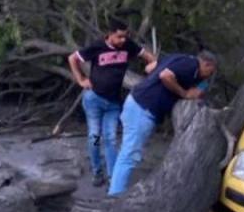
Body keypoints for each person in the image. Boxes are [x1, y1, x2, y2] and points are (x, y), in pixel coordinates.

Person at [108, 50, 219, 196]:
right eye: (210, 72)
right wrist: (182, 93)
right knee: (130, 154)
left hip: (136, 103)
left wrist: (200, 86)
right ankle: (115, 196)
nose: (210, 76)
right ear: (206, 64)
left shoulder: (179, 58)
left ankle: (114, 182)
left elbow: (150, 68)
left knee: (127, 150)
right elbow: (165, 75)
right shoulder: (190, 66)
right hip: (143, 109)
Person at [68, 18, 157, 186]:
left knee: (110, 138)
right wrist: (81, 80)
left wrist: (152, 68)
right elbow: (73, 59)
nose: (123, 40)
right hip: (94, 100)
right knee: (94, 137)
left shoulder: (128, 45)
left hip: (114, 103)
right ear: (110, 34)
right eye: (119, 37)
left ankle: (112, 175)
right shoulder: (97, 46)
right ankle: (97, 171)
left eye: (125, 36)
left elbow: (149, 57)